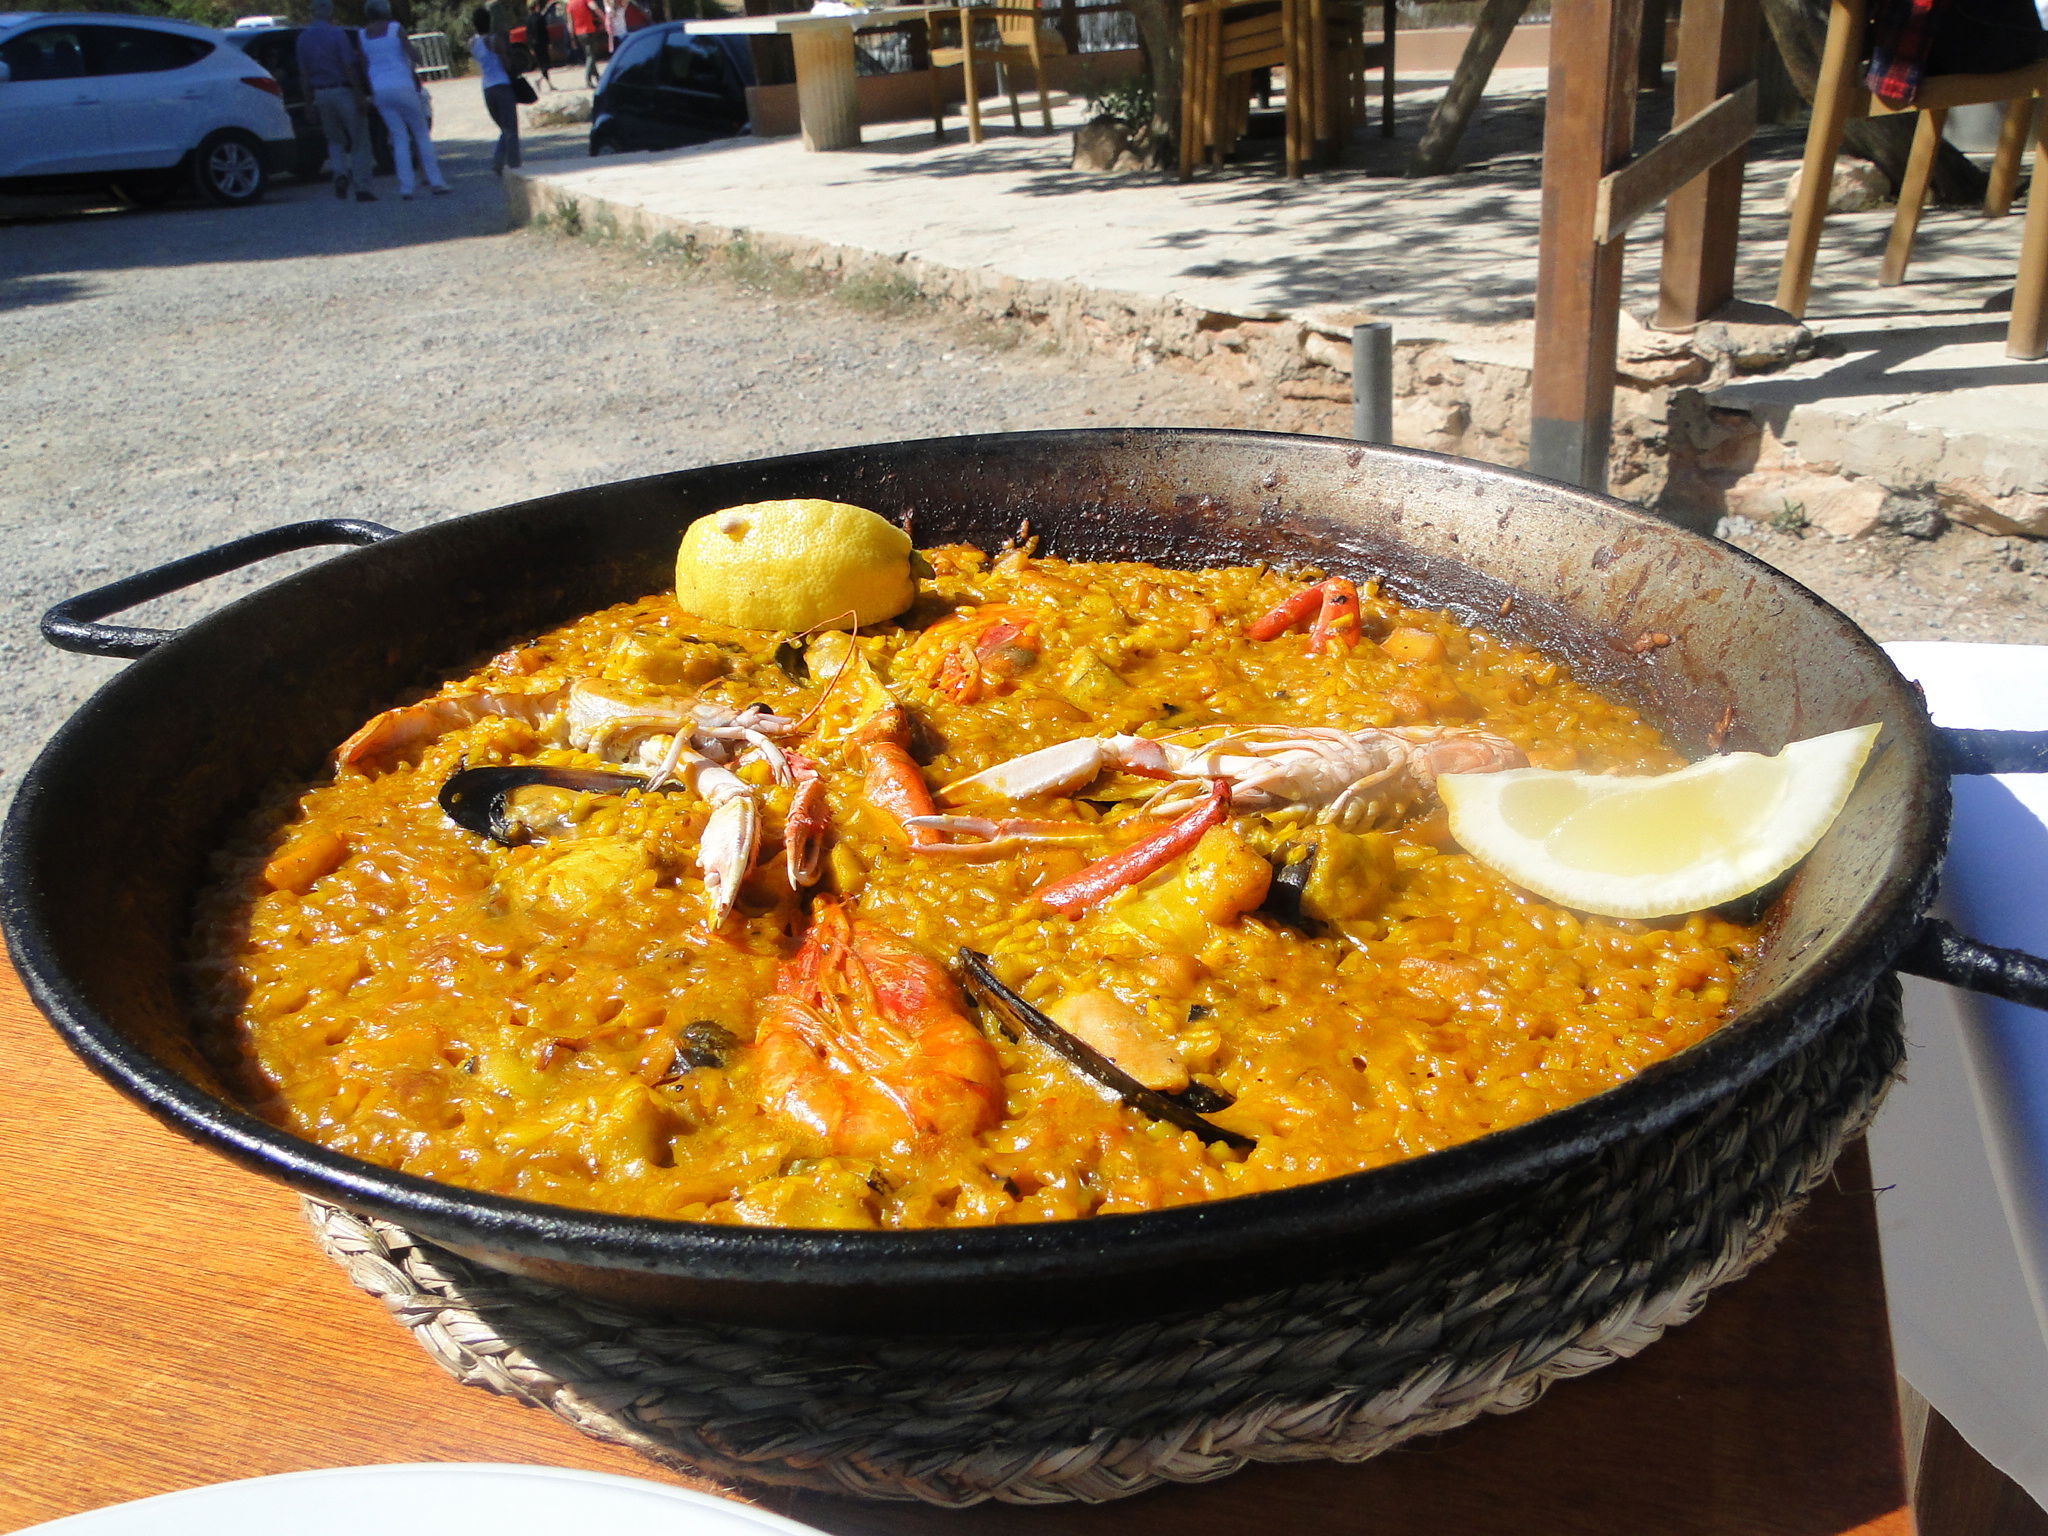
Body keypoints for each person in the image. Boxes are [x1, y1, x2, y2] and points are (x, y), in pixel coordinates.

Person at [361, 0, 449, 198]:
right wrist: (416, 55)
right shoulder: (394, 28)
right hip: (402, 85)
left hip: (380, 89)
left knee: (398, 136)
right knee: (420, 133)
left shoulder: (362, 34)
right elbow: (412, 54)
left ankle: (406, 187)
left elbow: (364, 64)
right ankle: (436, 181)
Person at [294, 0, 375, 201]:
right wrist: (359, 93)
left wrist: (308, 102)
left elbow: (303, 74)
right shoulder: (337, 34)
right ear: (329, 12)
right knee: (359, 139)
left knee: (334, 140)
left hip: (321, 94)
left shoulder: (303, 39)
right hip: (343, 90)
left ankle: (339, 173)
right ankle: (362, 186)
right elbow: (348, 66)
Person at [470, 5, 522, 176]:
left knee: (504, 128)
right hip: (502, 84)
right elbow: (506, 64)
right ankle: (514, 166)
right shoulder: (495, 40)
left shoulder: (473, 43)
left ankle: (498, 161)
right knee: (511, 130)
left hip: (487, 87)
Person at [567, 0, 607, 88]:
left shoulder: (570, 4)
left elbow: (570, 23)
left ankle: (597, 77)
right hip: (588, 30)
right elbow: (595, 8)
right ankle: (588, 79)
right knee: (591, 56)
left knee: (589, 55)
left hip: (579, 33)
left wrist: (572, 38)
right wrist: (604, 18)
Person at [526, 0, 555, 90]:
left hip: (535, 45)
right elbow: (545, 32)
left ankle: (547, 83)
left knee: (543, 64)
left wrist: (530, 47)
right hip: (542, 44)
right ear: (536, 6)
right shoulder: (540, 17)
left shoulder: (529, 19)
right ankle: (541, 81)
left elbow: (528, 34)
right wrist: (549, 43)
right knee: (546, 64)